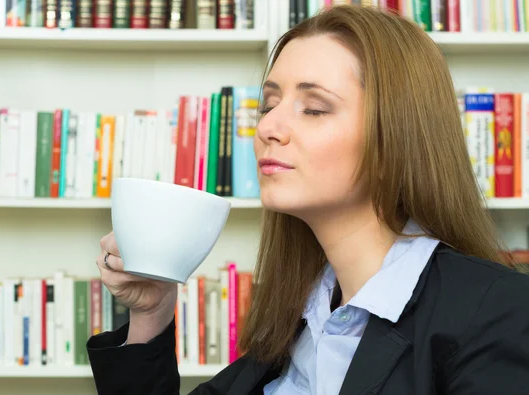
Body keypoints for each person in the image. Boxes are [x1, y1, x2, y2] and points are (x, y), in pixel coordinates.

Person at [87, 5, 529, 395]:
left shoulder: (498, 312)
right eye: (269, 105)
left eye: (313, 108)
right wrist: (152, 312)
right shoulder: (302, 315)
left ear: (398, 135)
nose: (267, 129)